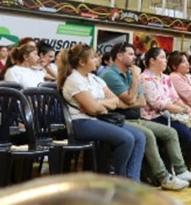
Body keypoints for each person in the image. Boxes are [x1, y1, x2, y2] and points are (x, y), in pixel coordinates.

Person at [101, 43, 191, 190]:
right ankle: (164, 177)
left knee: (170, 132)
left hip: (136, 117)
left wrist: (129, 99)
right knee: (148, 135)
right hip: (121, 119)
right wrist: (134, 81)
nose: (135, 58)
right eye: (131, 54)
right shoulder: (111, 75)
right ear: (119, 56)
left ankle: (181, 170)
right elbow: (130, 98)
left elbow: (141, 101)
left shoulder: (129, 73)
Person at [57, 43, 146, 180]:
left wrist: (97, 103)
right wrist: (98, 105)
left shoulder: (94, 78)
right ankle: (117, 181)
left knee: (140, 136)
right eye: (93, 58)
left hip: (99, 118)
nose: (97, 60)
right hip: (80, 122)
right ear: (82, 62)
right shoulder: (73, 80)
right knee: (126, 139)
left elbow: (115, 100)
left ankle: (133, 180)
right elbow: (92, 109)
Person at [139, 47, 191, 177]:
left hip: (171, 113)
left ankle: (178, 162)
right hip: (154, 116)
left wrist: (188, 109)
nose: (165, 60)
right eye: (162, 57)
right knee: (184, 133)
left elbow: (175, 98)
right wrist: (184, 110)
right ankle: (173, 165)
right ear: (152, 61)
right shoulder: (145, 78)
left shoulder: (166, 78)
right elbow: (158, 104)